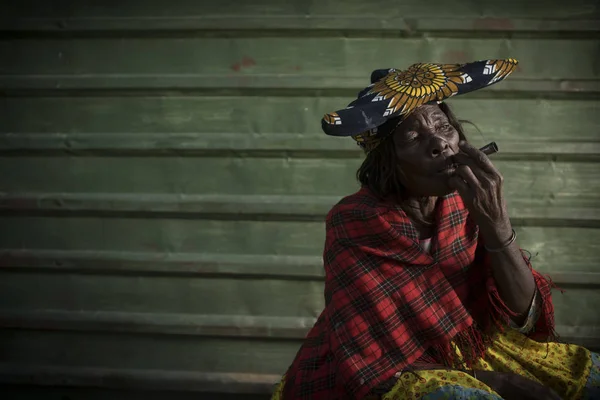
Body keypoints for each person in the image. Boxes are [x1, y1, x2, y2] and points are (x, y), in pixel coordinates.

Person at [271, 60, 600, 399]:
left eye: (443, 127)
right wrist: (500, 382)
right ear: (388, 161)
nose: (439, 144)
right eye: (414, 137)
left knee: (589, 377)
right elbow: (373, 354)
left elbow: (523, 318)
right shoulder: (354, 220)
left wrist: (496, 223)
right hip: (391, 368)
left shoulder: (465, 203)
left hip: (475, 349)